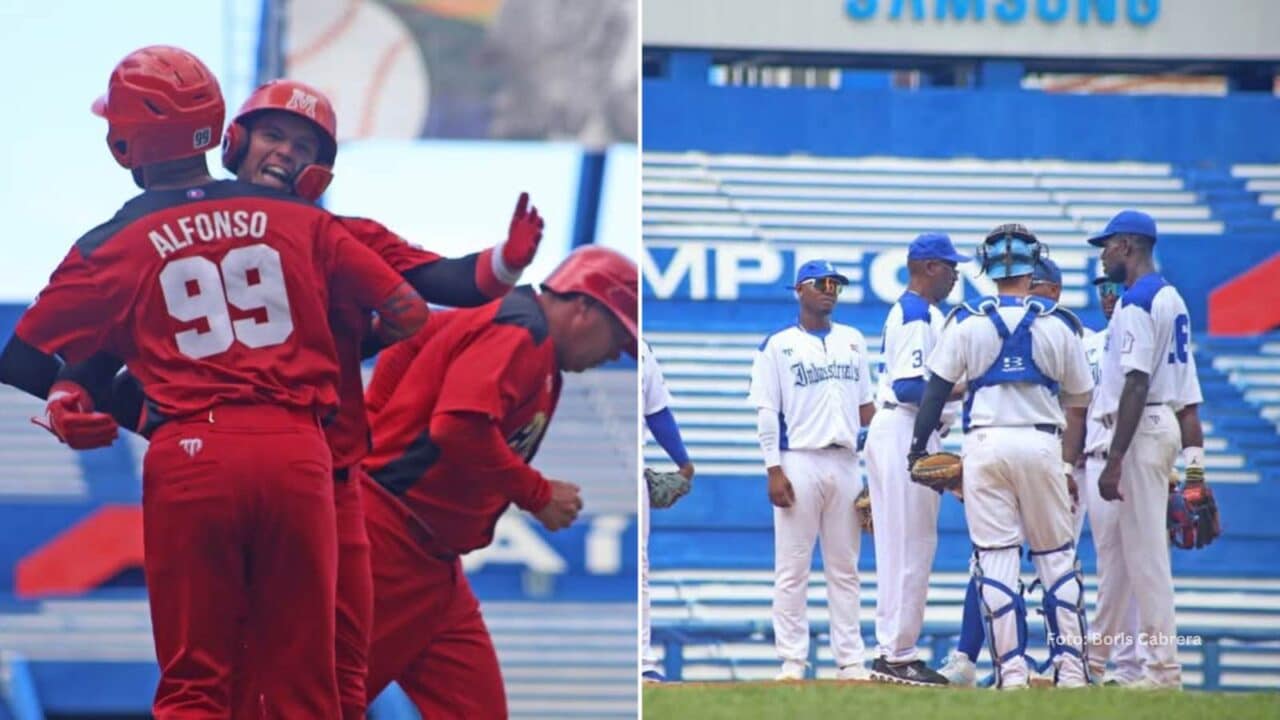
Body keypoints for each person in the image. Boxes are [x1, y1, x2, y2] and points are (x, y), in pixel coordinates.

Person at [0, 46, 430, 718]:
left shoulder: (108, 244)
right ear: (221, 131)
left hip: (190, 455)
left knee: (196, 682)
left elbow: (21, 361)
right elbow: (407, 311)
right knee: (305, 682)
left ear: (124, 142)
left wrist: (109, 407)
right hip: (297, 452)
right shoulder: (301, 219)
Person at [217, 78, 544, 719]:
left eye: (304, 145)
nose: (286, 152)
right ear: (235, 141)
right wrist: (76, 391)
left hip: (324, 479)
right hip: (230, 470)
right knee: (223, 671)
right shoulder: (174, 230)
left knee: (329, 679)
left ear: (320, 171)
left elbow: (445, 279)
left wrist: (505, 263)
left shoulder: (339, 235)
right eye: (274, 135)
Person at [358, 245, 637, 717]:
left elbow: (413, 338)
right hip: (392, 543)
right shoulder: (521, 329)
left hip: (432, 562)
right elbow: (459, 426)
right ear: (586, 307)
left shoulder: (518, 328)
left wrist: (370, 427)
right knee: (319, 699)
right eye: (617, 336)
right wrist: (538, 493)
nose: (614, 355)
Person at [910, 224, 1093, 690]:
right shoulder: (1060, 323)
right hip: (1041, 442)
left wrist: (918, 449)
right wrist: (1068, 465)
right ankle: (1071, 670)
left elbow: (934, 391)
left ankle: (1010, 672)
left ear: (986, 268)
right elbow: (1078, 403)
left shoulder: (966, 320)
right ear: (1034, 265)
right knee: (1055, 557)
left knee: (995, 561)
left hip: (986, 445)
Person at [1089, 209, 1205, 688]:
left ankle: (1163, 670)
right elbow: (1190, 398)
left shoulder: (1136, 301)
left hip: (1139, 428)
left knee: (1147, 559)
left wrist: (1114, 459)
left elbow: (1135, 383)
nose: (1104, 255)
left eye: (1109, 245)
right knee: (1125, 557)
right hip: (1163, 425)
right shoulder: (1172, 297)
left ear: (1129, 245)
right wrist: (1196, 476)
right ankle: (1095, 662)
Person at [748, 260, 875, 681]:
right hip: (798, 458)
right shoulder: (778, 345)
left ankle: (850, 659)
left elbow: (866, 409)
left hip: (845, 460)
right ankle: (791, 660)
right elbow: (767, 412)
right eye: (821, 283)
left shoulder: (854, 341)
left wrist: (874, 471)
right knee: (792, 566)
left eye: (836, 284)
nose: (830, 290)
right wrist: (773, 467)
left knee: (845, 566)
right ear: (799, 290)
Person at [864, 233, 967, 686]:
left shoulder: (916, 312)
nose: (955, 274)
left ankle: (893, 650)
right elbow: (910, 386)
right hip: (907, 427)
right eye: (949, 266)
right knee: (912, 548)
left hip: (898, 429)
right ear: (928, 267)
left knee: (898, 549)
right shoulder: (916, 313)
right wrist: (972, 387)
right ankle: (898, 655)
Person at [1080, 273, 1148, 685]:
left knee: (1140, 563)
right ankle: (1117, 664)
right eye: (1101, 290)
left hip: (1131, 455)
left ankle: (1124, 664)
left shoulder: (1141, 336)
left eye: (1113, 289)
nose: (1107, 297)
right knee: (1111, 564)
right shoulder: (1088, 343)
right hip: (1093, 458)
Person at [640, 339, 695, 683]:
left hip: (636, 469)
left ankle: (642, 662)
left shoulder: (642, 348)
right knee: (638, 570)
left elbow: (656, 411)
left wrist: (683, 461)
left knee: (641, 568)